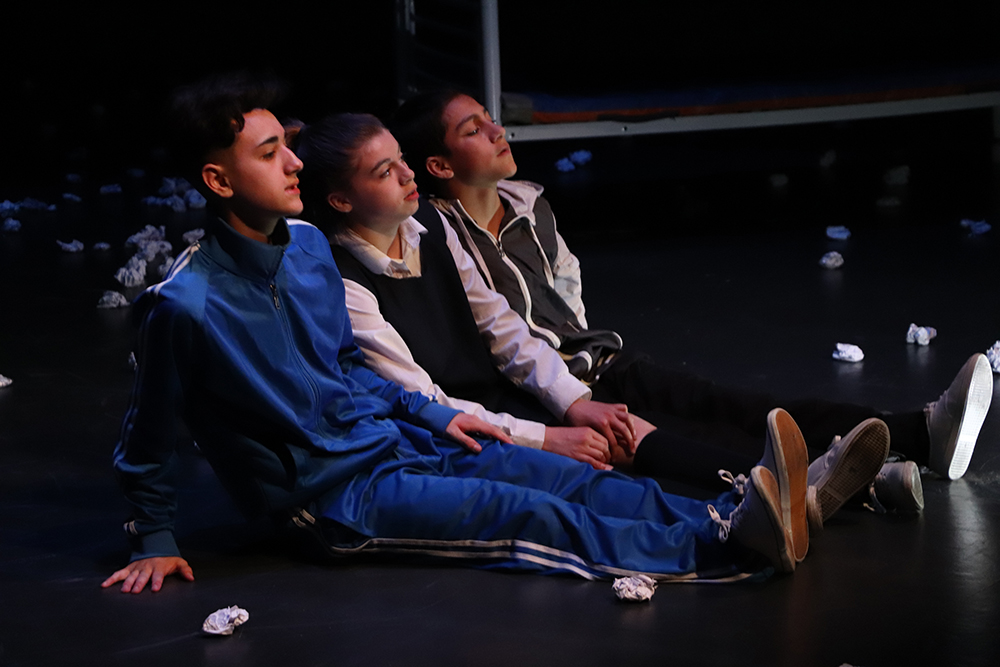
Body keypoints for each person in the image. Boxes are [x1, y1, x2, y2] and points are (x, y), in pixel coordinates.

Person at [101, 75, 807, 594]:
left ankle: (727, 514)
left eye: (288, 145)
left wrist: (435, 415)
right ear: (219, 180)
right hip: (331, 498)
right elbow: (148, 433)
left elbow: (348, 365)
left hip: (395, 439)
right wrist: (153, 536)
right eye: (269, 153)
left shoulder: (308, 246)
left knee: (561, 474)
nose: (294, 163)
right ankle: (725, 553)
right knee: (523, 512)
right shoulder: (185, 305)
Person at [293, 112, 895, 554]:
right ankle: (776, 500)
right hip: (454, 424)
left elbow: (500, 324)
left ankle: (799, 490)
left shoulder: (428, 222)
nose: (406, 175)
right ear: (341, 200)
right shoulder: (344, 280)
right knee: (609, 457)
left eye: (402, 159)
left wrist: (571, 402)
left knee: (629, 422)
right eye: (385, 171)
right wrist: (545, 437)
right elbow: (425, 399)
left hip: (497, 394)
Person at [389, 89, 995, 512]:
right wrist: (570, 392)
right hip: (555, 387)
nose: (497, 130)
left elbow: (565, 279)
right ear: (438, 164)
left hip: (600, 360)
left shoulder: (528, 202)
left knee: (737, 405)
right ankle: (865, 482)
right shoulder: (441, 231)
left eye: (490, 118)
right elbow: (499, 334)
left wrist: (584, 342)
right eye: (473, 130)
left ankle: (917, 432)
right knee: (695, 438)